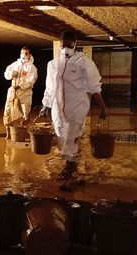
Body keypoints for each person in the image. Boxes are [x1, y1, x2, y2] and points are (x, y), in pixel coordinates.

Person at [40, 30, 108, 179]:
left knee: (72, 137)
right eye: (64, 45)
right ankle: (70, 165)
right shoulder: (52, 65)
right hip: (58, 109)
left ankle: (71, 170)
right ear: (60, 44)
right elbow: (50, 87)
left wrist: (102, 106)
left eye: (70, 46)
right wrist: (46, 105)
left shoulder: (83, 62)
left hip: (77, 106)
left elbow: (94, 86)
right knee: (61, 137)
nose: (67, 49)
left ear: (75, 44)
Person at [3, 46, 38, 134]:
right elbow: (6, 75)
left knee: (25, 113)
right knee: (8, 111)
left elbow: (31, 81)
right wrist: (11, 74)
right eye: (23, 53)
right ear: (20, 54)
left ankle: (23, 133)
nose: (24, 55)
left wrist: (20, 86)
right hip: (13, 92)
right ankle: (9, 133)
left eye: (26, 53)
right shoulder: (14, 64)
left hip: (25, 92)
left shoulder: (31, 67)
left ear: (29, 55)